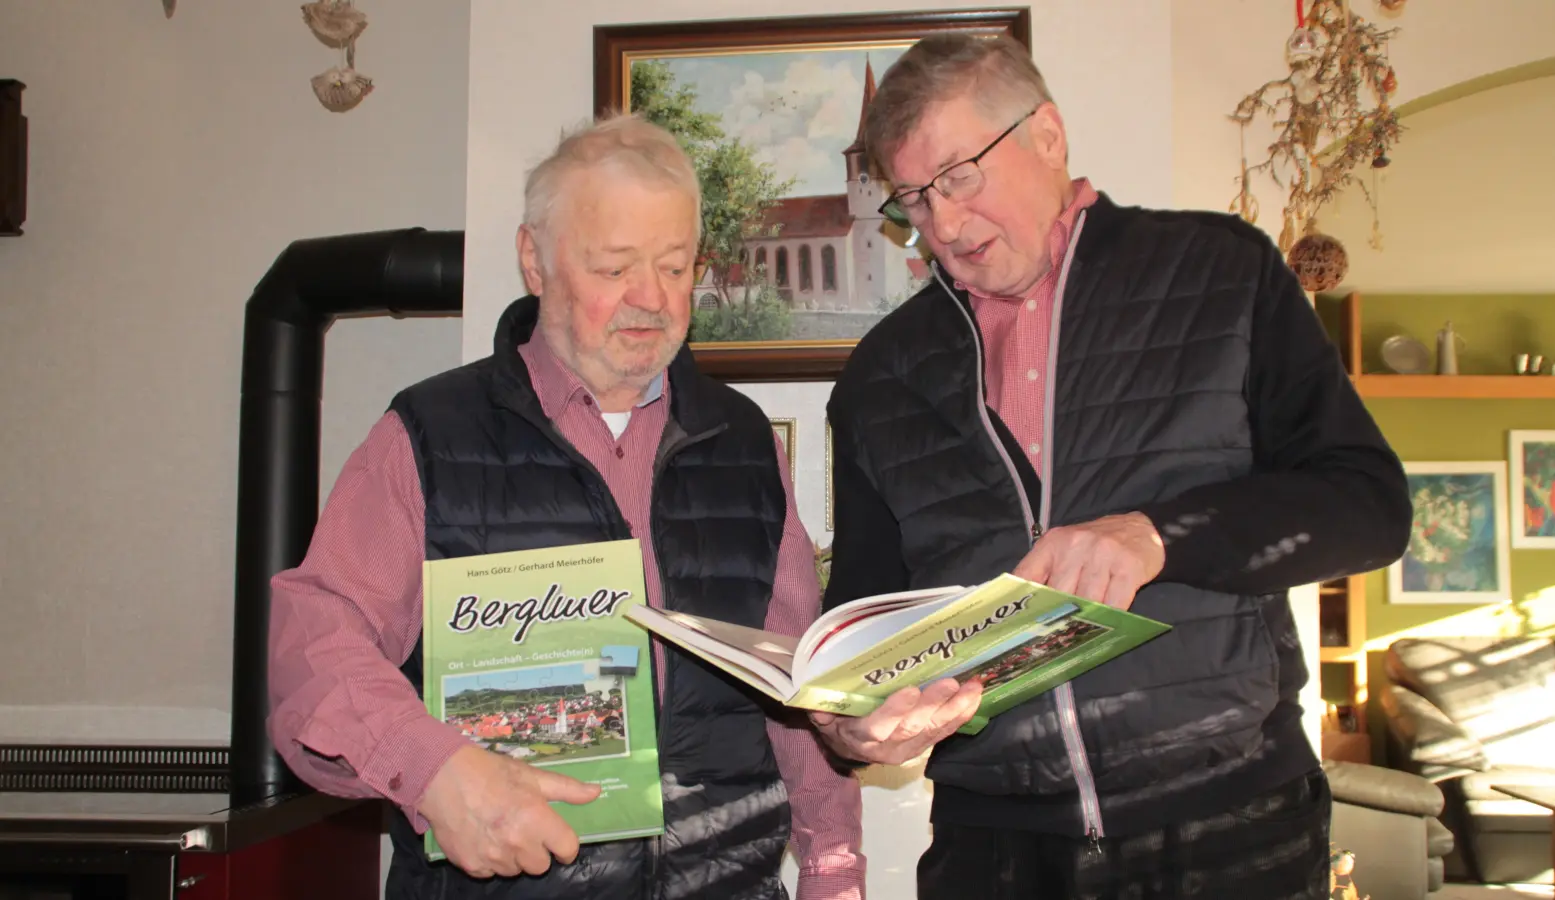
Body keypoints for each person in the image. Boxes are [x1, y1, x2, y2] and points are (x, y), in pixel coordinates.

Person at [811, 33, 1412, 900]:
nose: (941, 225)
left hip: (1232, 826)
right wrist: (854, 725)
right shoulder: (879, 375)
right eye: (913, 199)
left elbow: (1369, 504)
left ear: (1046, 135)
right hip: (994, 849)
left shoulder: (1222, 273)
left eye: (958, 178)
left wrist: (1159, 538)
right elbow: (862, 614)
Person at [266, 113, 865, 900]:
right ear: (534, 260)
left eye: (676, 267)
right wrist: (435, 769)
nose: (651, 299)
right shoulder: (427, 435)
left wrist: (833, 866)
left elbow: (796, 680)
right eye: (615, 268)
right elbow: (312, 645)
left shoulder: (744, 441)